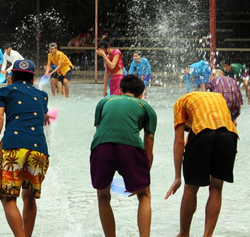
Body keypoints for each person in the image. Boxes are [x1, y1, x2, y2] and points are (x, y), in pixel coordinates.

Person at [0, 60, 50, 237]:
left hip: (13, 147)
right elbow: (44, 118)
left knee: (8, 197)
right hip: (39, 151)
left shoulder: (5, 91)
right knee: (29, 196)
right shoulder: (42, 95)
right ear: (32, 79)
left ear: (11, 77)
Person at [90, 75, 157, 237]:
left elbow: (100, 130)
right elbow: (148, 152)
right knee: (144, 195)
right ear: (141, 94)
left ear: (120, 90)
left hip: (101, 146)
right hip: (130, 146)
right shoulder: (146, 107)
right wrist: (141, 180)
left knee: (103, 196)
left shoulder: (105, 101)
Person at [165, 92, 239, 237]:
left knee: (191, 187)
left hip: (203, 135)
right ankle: (207, 235)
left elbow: (179, 142)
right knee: (217, 187)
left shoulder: (180, 103)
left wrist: (177, 177)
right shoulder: (218, 97)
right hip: (229, 135)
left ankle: (184, 234)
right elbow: (229, 123)